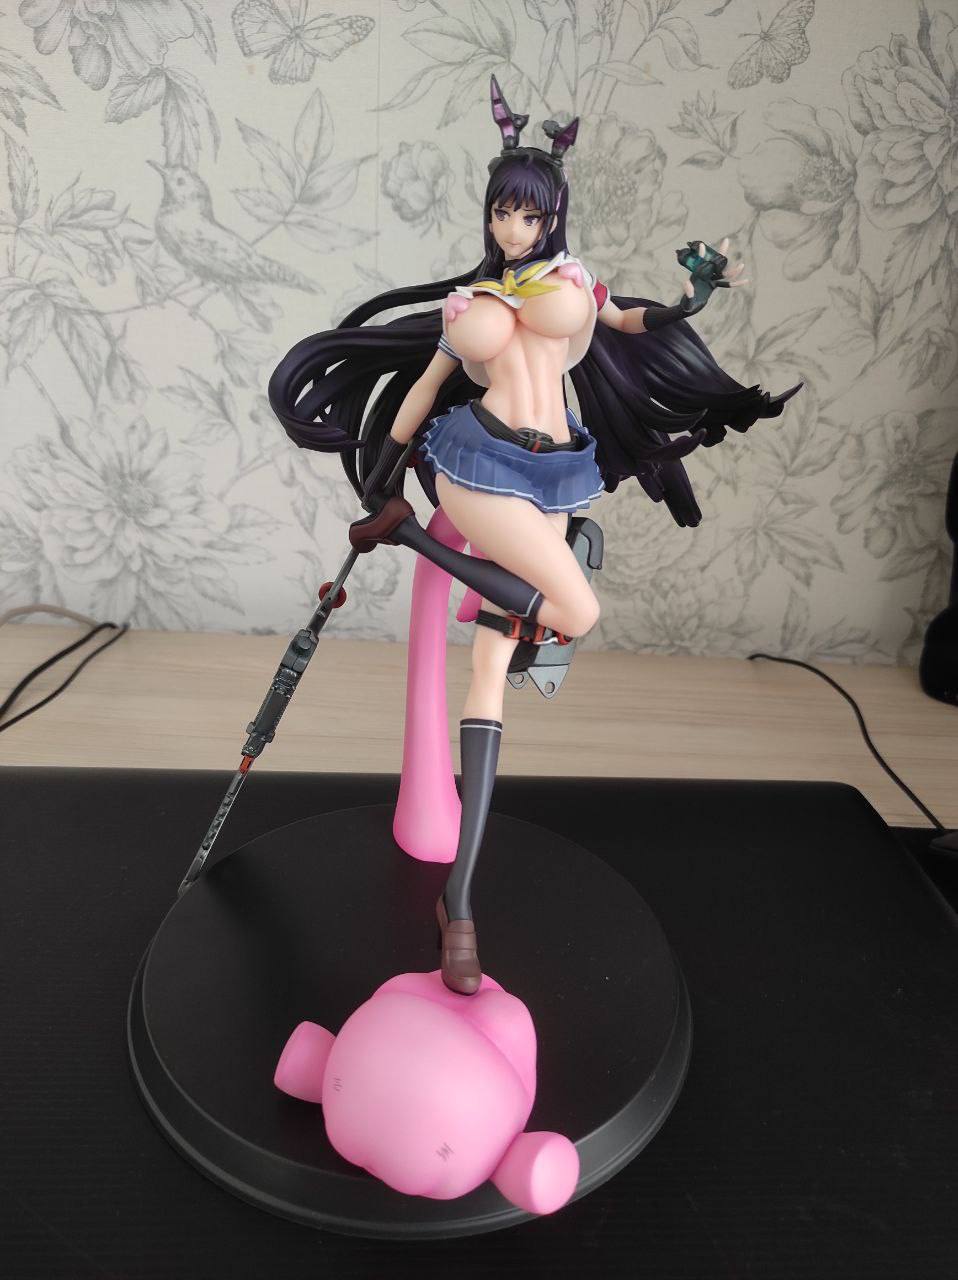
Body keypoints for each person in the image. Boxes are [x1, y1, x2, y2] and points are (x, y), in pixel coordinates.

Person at [269, 75, 800, 996]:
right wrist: (384, 475)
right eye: (501, 212)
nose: (512, 228)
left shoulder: (574, 281)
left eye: (528, 214)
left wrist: (695, 300)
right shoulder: (468, 301)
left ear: (551, 216)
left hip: (556, 470)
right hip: (477, 465)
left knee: (489, 670)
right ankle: (416, 537)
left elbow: (630, 322)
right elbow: (427, 389)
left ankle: (460, 898)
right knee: (577, 611)